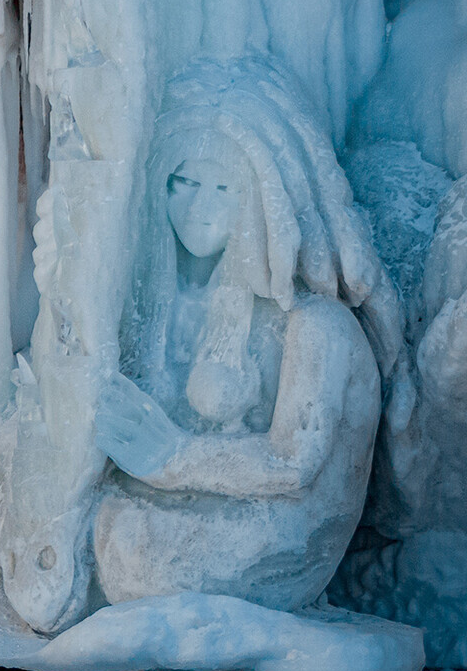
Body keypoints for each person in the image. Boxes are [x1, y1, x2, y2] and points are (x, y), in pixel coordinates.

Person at [91, 60, 405, 610]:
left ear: (266, 198)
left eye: (223, 188)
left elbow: (294, 465)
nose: (199, 209)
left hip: (282, 537)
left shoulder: (317, 326)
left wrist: (173, 457)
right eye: (181, 184)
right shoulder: (163, 308)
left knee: (141, 560)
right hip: (180, 513)